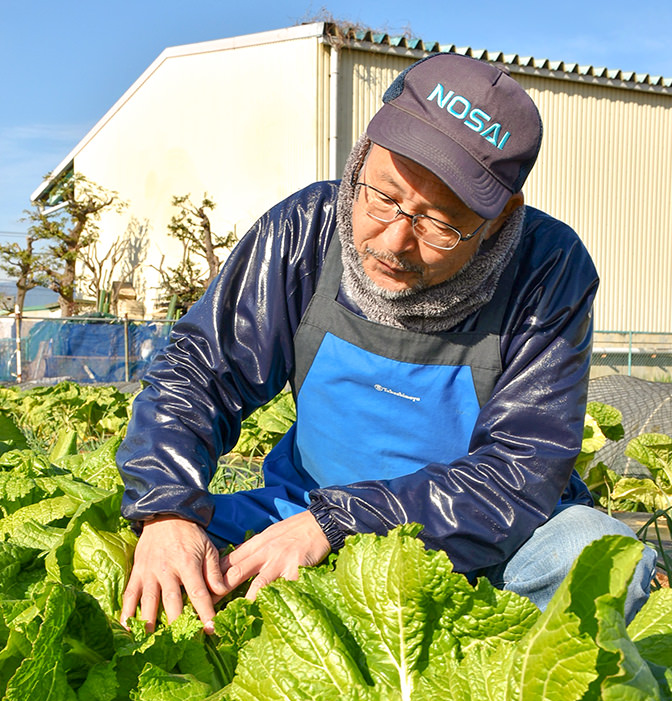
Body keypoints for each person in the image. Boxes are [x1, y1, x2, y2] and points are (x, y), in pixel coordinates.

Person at [117, 52, 657, 632]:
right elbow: (198, 372)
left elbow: (520, 471)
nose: (396, 240)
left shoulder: (548, 269)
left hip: (483, 537)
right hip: (307, 506)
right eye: (383, 196)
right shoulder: (303, 230)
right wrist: (168, 508)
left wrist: (344, 524)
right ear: (362, 156)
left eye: (439, 224)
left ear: (501, 220)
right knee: (144, 557)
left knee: (605, 566)